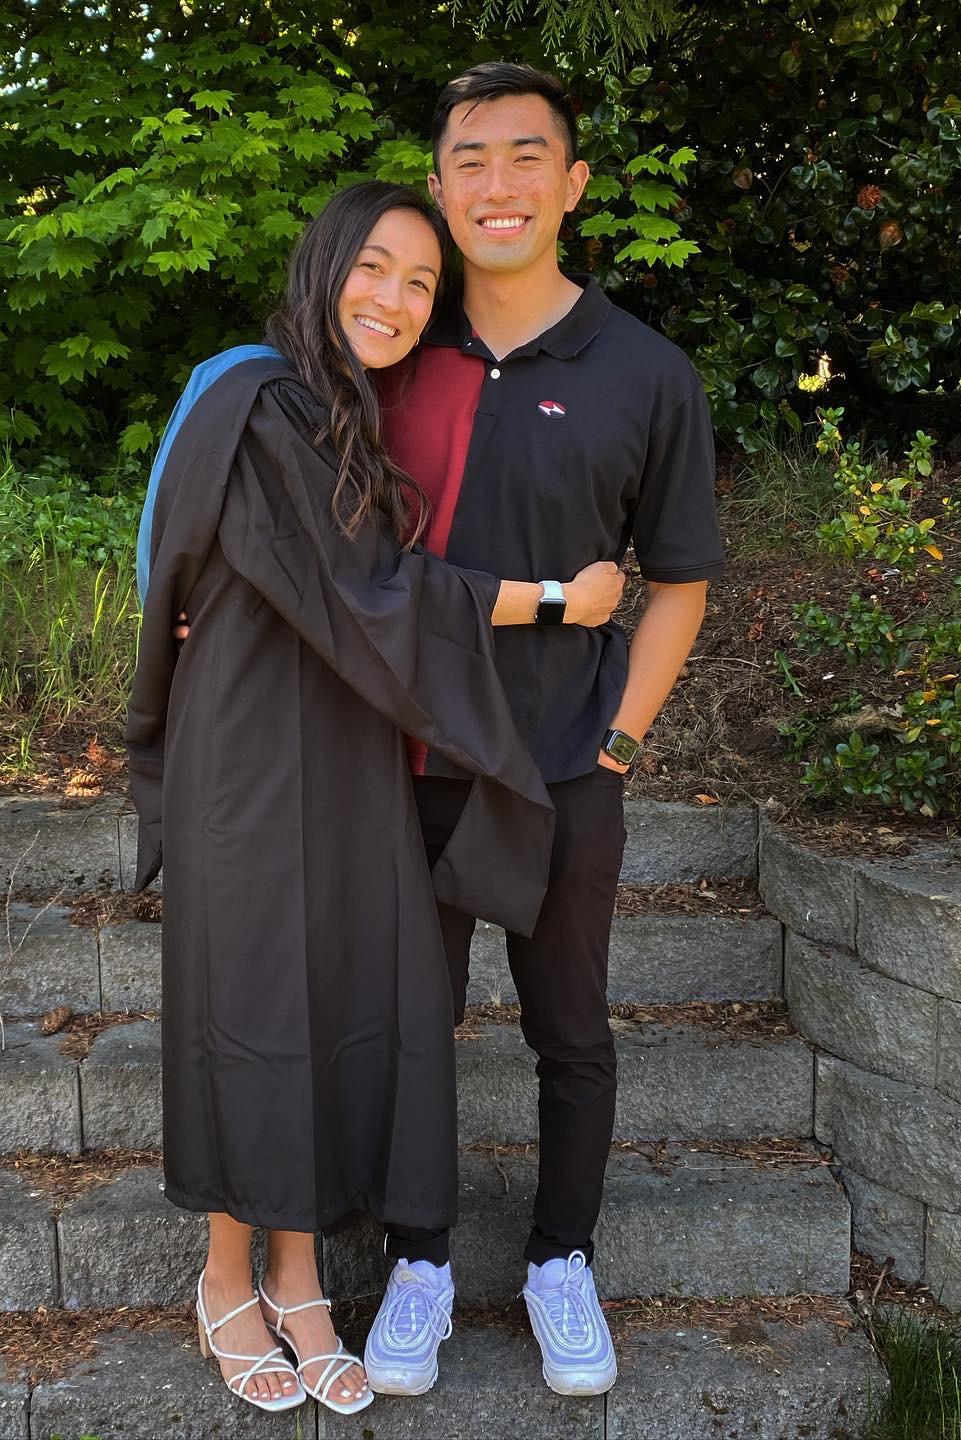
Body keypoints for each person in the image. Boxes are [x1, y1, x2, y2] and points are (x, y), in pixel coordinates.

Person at [125, 181, 625, 1418]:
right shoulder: (256, 397)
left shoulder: (344, 411)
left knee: (327, 989)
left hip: (343, 739)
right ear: (323, 265)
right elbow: (377, 593)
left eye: (419, 282)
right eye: (374, 268)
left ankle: (300, 1280)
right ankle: (226, 1279)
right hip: (248, 747)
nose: (394, 300)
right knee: (251, 998)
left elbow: (366, 589)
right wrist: (555, 599)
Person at [359, 64, 725, 1400]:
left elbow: (678, 581)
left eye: (527, 156)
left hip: (567, 761)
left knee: (569, 1028)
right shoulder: (391, 346)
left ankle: (562, 1258)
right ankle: (417, 1262)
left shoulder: (645, 372)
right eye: (470, 159)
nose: (497, 184)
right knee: (409, 1028)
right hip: (403, 760)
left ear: (571, 185)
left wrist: (619, 744)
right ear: (438, 185)